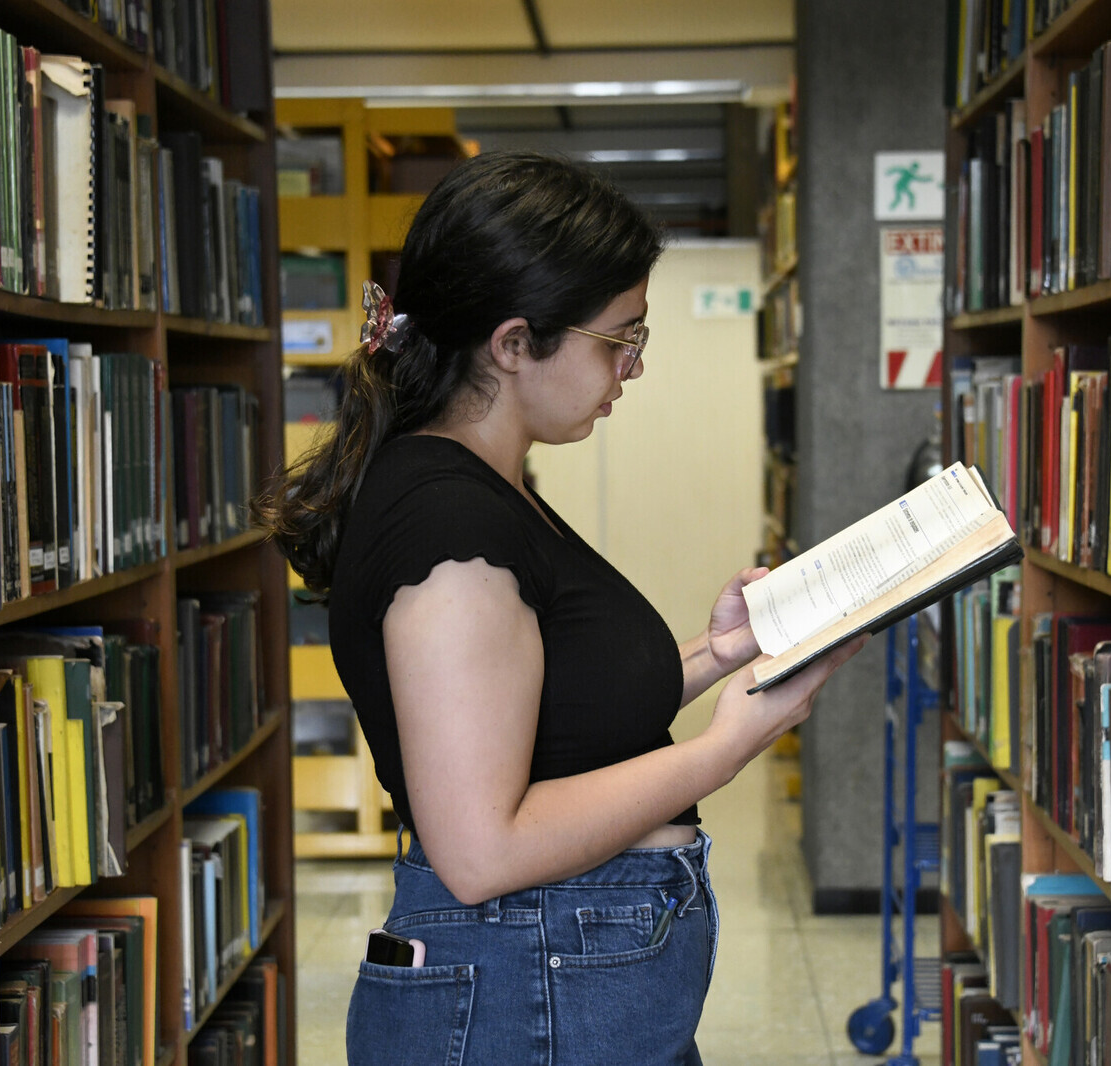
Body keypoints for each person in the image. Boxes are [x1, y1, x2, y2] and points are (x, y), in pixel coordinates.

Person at [258, 151, 865, 1066]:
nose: (633, 367)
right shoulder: (449, 529)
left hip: (560, 975)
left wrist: (718, 652)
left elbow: (553, 716)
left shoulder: (490, 485)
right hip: (524, 987)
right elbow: (480, 850)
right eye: (619, 339)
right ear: (512, 342)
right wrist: (720, 751)